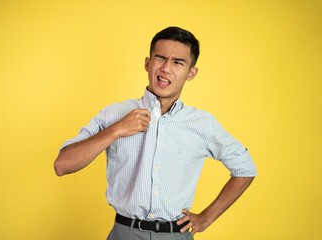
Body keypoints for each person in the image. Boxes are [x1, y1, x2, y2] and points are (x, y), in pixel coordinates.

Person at [54, 26, 257, 240]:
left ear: (191, 73)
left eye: (178, 62)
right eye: (160, 58)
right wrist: (117, 130)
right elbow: (62, 165)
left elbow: (245, 168)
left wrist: (207, 217)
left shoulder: (202, 123)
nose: (166, 68)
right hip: (124, 234)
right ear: (148, 63)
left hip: (176, 235)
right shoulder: (114, 114)